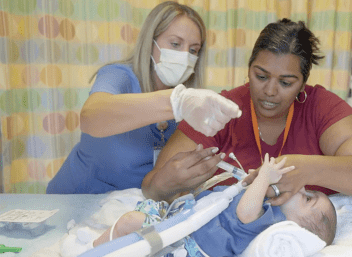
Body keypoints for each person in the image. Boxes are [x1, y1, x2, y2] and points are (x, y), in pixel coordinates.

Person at [141, 18, 352, 205]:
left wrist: (306, 169)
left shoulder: (320, 107)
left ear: (302, 84)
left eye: (286, 82)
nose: (270, 91)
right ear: (249, 69)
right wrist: (167, 182)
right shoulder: (221, 108)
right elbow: (151, 188)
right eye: (260, 76)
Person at [47, 2, 241, 194]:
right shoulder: (119, 76)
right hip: (75, 201)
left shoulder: (191, 108)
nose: (184, 56)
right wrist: (175, 102)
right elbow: (90, 118)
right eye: (175, 44)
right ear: (151, 42)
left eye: (193, 50)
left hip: (126, 210)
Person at [92, 153, 337, 256]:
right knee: (133, 223)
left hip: (186, 242)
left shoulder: (271, 219)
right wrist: (255, 181)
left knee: (129, 223)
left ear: (298, 227)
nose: (302, 188)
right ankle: (98, 248)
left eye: (307, 198)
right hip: (180, 222)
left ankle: (93, 249)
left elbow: (244, 212)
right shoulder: (267, 203)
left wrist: (263, 180)